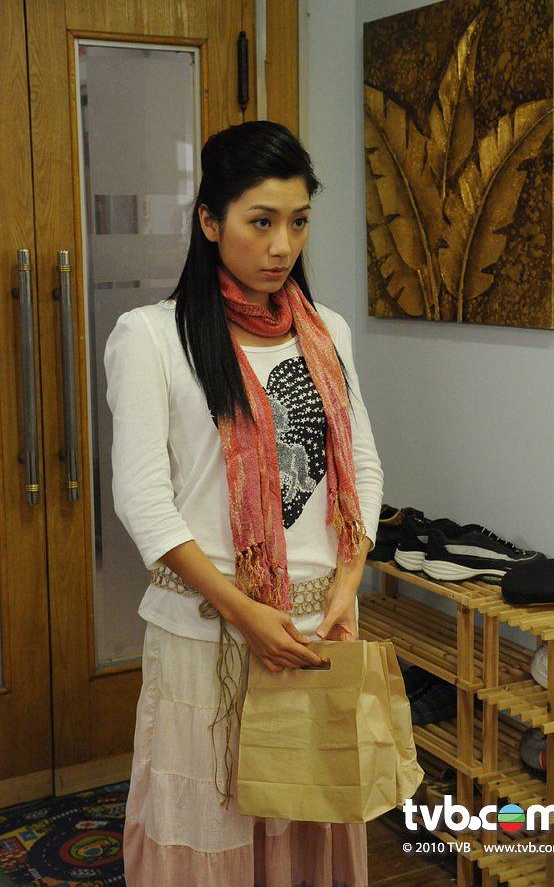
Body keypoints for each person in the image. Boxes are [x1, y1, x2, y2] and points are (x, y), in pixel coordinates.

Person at [104, 120, 384, 886]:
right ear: (209, 221)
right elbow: (143, 502)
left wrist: (348, 585)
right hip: (210, 634)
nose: (281, 246)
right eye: (260, 222)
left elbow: (361, 466)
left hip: (318, 626)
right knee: (211, 825)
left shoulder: (327, 331)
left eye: (298, 222)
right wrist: (244, 613)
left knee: (308, 817)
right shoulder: (152, 338)